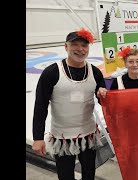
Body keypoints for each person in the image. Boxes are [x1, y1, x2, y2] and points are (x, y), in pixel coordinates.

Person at [32, 28, 108, 180]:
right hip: (62, 137)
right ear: (66, 46)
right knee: (65, 176)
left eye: (84, 45)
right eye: (75, 44)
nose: (80, 49)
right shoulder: (52, 72)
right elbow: (40, 106)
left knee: (89, 174)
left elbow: (104, 103)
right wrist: (38, 137)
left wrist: (104, 96)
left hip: (88, 135)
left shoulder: (95, 72)